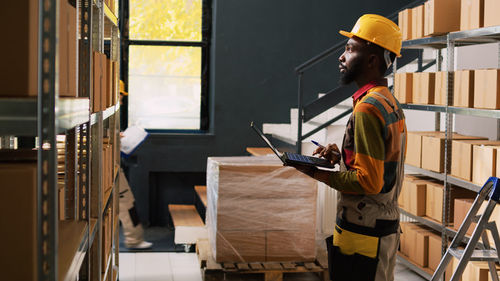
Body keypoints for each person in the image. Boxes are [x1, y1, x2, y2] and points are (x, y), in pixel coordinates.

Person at [291, 14, 407, 281]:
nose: (341, 57)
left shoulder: (367, 108)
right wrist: (342, 157)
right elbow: (380, 162)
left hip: (363, 231)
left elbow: (369, 181)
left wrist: (313, 171)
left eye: (350, 49)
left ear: (372, 61)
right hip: (380, 227)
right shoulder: (386, 101)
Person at [118, 80, 153, 250]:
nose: (122, 101)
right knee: (127, 203)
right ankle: (134, 240)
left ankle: (134, 239)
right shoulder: (103, 113)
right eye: (121, 96)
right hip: (108, 169)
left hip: (110, 166)